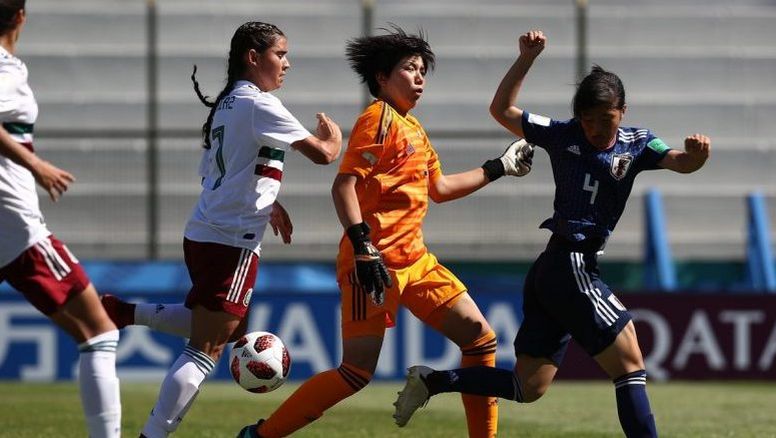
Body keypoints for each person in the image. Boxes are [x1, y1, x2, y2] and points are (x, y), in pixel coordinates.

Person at [392, 30, 711, 437]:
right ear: (578, 116)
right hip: (569, 263)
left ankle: (434, 381)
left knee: (528, 387)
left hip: (554, 272)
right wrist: (526, 58)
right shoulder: (564, 134)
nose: (595, 128)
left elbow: (681, 162)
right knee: (630, 365)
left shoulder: (638, 143)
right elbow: (502, 109)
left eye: (605, 118)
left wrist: (698, 157)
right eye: (589, 119)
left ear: (623, 112)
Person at [236, 25, 533, 438]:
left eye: (422, 70)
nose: (419, 77)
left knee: (480, 340)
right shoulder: (378, 119)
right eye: (409, 69)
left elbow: (440, 189)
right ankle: (259, 435)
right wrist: (362, 247)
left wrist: (497, 167)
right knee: (356, 372)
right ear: (381, 78)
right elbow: (343, 186)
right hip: (371, 265)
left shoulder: (414, 129)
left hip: (415, 261)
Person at [134, 22, 342, 438]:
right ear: (253, 57)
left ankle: (125, 311)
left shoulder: (228, 104)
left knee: (221, 328)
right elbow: (323, 156)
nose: (287, 63)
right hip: (231, 240)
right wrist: (334, 138)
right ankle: (152, 434)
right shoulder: (259, 104)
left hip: (206, 232)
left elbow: (221, 174)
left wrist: (268, 203)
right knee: (206, 348)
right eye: (280, 54)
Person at [0, 1, 122, 437]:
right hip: (12, 220)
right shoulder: (4, 66)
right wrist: (38, 167)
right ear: (20, 16)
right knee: (99, 333)